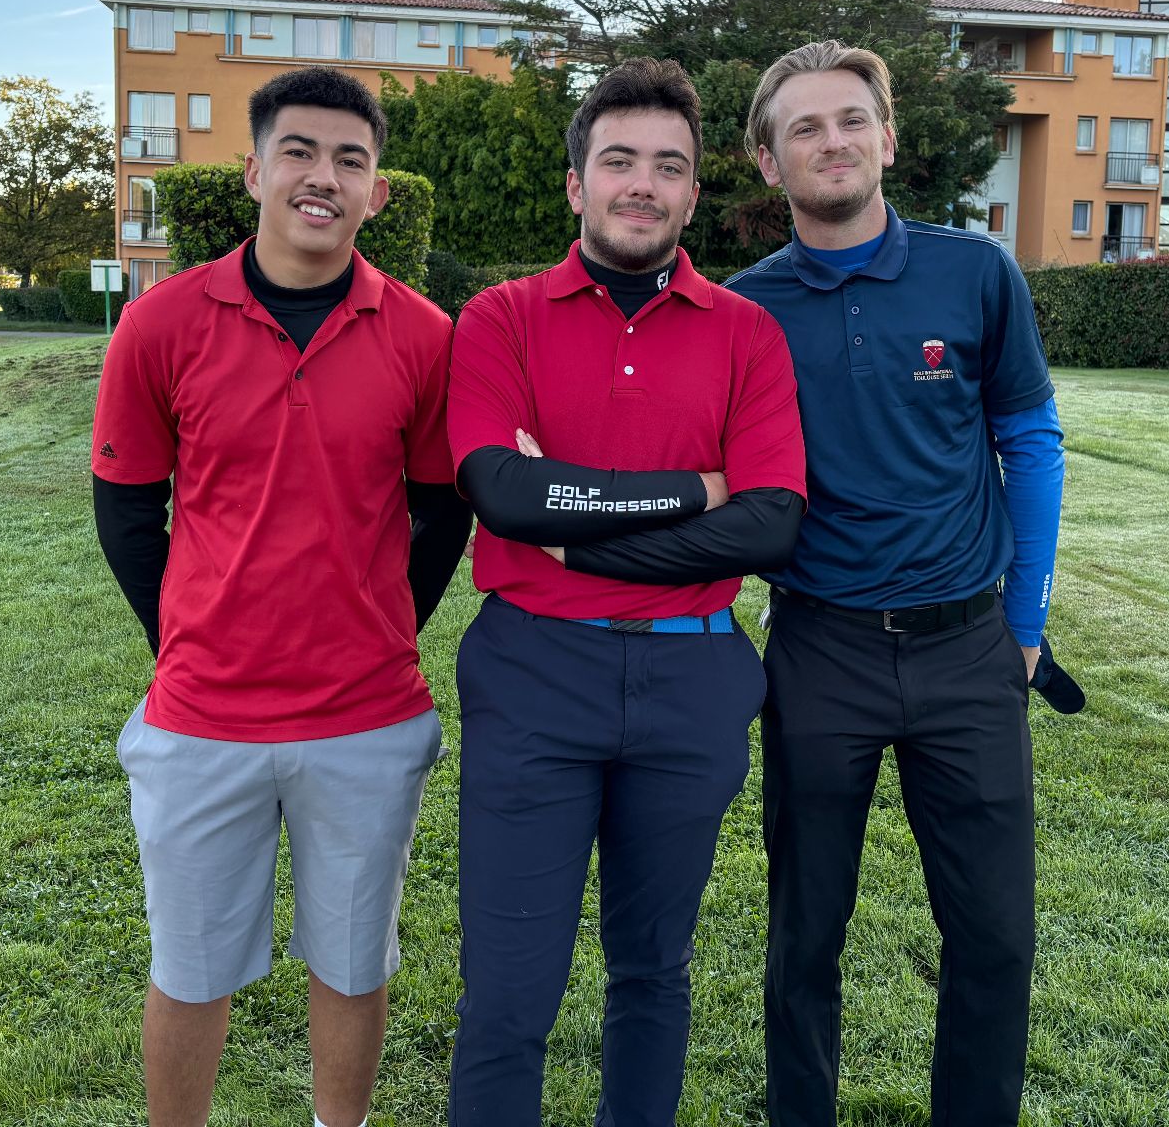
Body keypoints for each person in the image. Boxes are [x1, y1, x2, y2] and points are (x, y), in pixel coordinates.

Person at [91, 66, 472, 1127]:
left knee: (353, 964)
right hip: (201, 719)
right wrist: (188, 636)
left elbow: (442, 514)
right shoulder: (161, 325)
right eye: (298, 152)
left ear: (376, 194)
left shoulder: (424, 336)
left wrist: (378, 627)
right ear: (254, 172)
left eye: (351, 160)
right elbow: (127, 513)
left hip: (367, 719)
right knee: (190, 969)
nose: (323, 177)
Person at [442, 56, 808, 1127]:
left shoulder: (746, 331)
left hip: (693, 680)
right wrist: (695, 492)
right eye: (618, 162)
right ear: (577, 183)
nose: (642, 184)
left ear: (693, 195)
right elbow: (504, 492)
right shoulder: (500, 318)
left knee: (653, 970)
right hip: (533, 674)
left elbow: (769, 522)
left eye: (668, 167)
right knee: (508, 994)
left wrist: (579, 539)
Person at [725, 41, 1071, 1127]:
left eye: (850, 120)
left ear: (886, 137)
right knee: (804, 933)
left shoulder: (975, 274)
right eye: (804, 128)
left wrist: (1025, 623)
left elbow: (1031, 439)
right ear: (770, 162)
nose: (831, 141)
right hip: (820, 650)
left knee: (995, 936)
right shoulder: (742, 311)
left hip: (969, 651)